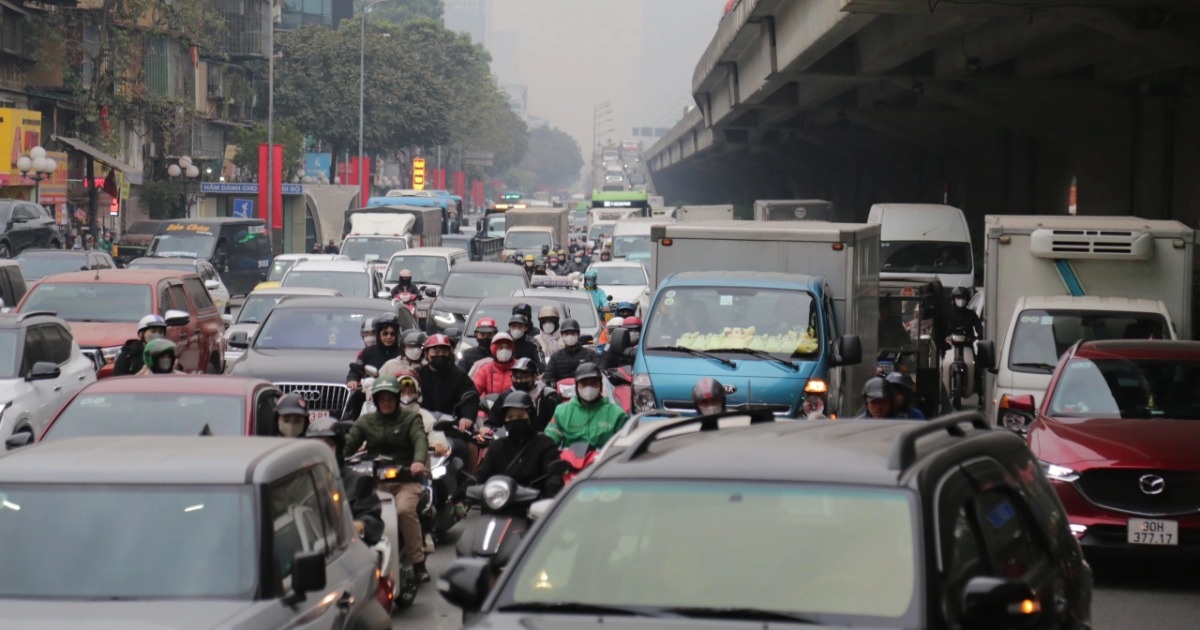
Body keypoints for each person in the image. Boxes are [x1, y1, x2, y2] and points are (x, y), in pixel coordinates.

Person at [343, 375, 431, 582]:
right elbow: (349, 444)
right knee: (359, 514)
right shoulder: (366, 421)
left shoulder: (411, 419)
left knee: (404, 511)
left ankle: (418, 563)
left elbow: (420, 440)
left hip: (406, 481)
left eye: (390, 397)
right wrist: (335, 457)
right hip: (376, 483)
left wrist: (418, 461)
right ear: (375, 400)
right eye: (381, 397)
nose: (387, 401)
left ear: (398, 397)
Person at [304, 416, 384, 546]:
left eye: (328, 445)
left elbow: (374, 522)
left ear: (338, 449)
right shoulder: (298, 483)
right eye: (317, 446)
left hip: (346, 550)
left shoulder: (358, 482)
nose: (322, 451)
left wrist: (359, 525)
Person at [474, 391, 564, 498]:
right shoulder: (496, 446)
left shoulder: (545, 444)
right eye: (510, 417)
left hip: (534, 504)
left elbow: (553, 476)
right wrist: (465, 491)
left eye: (520, 416)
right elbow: (482, 474)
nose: (515, 420)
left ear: (530, 417)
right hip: (500, 502)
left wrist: (551, 495)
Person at [414, 334, 480, 471]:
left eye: (444, 351)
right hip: (420, 426)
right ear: (426, 353)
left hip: (451, 427)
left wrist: (466, 417)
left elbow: (469, 397)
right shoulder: (416, 374)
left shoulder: (459, 376)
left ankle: (468, 483)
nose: (440, 355)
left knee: (466, 447)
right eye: (436, 351)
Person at [545, 363, 629, 449]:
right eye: (584, 383)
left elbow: (626, 445)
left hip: (604, 460)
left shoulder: (617, 414)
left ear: (600, 385)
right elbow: (550, 438)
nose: (589, 387)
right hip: (570, 460)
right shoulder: (562, 412)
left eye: (593, 383)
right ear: (577, 386)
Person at [487, 358, 555, 432]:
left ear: (534, 376)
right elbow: (493, 422)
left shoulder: (547, 396)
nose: (519, 381)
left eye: (524, 377)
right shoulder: (506, 396)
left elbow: (556, 423)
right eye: (516, 377)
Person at [347, 314, 402, 388]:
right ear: (378, 335)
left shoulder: (402, 353)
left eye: (392, 334)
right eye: (385, 334)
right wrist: (352, 379)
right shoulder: (367, 352)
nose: (389, 337)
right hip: (372, 392)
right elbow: (357, 369)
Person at [544, 319, 600, 386]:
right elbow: (548, 376)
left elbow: (599, 371)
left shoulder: (590, 354)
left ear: (578, 334)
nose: (569, 336)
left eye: (572, 333)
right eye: (566, 334)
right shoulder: (555, 357)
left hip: (585, 389)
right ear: (562, 336)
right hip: (561, 392)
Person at [473, 332, 517, 398]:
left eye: (507, 348)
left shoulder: (519, 367)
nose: (504, 350)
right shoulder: (486, 369)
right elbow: (475, 390)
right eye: (501, 348)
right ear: (494, 350)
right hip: (489, 406)